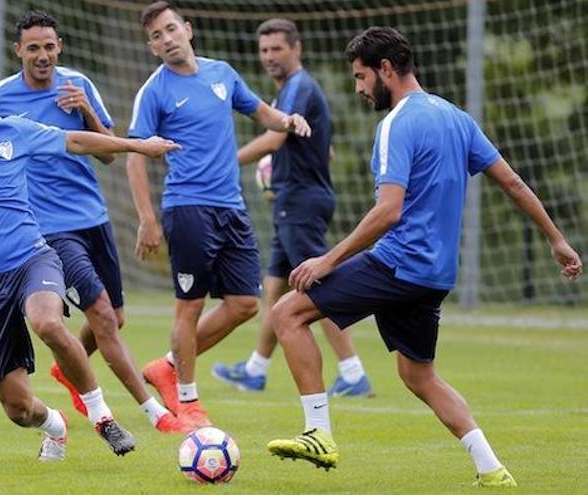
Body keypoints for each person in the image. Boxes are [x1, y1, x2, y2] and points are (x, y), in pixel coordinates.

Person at [266, 26, 582, 487]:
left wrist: (327, 260)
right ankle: (492, 469)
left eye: (360, 77)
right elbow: (511, 181)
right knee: (418, 375)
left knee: (286, 313)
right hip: (434, 274)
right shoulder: (457, 118)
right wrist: (557, 239)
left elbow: (388, 211)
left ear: (386, 70)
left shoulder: (396, 123)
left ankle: (319, 433)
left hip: (397, 262)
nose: (357, 88)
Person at [0, 1, 179, 462]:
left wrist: (137, 145)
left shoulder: (14, 130)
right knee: (17, 408)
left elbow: (78, 141)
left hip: (31, 256)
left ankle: (103, 416)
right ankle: (55, 424)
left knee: (47, 320)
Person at [126, 1, 312, 430]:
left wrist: (288, 120)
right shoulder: (155, 90)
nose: (166, 39)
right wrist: (147, 218)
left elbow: (260, 111)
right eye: (156, 36)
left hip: (232, 208)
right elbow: (135, 155)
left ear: (187, 30)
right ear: (152, 48)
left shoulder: (222, 74)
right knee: (189, 307)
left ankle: (168, 365)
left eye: (171, 29)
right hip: (188, 208)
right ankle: (188, 402)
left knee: (246, 303)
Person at [212, 18, 373, 397]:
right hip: (293, 200)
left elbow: (273, 139)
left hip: (301, 202)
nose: (269, 57)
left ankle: (352, 373)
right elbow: (323, 146)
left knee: (318, 287)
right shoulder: (292, 91)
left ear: (296, 49)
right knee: (276, 290)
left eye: (277, 49)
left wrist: (224, 162)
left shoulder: (299, 87)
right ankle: (255, 369)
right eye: (264, 50)